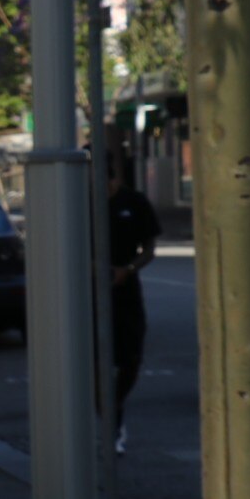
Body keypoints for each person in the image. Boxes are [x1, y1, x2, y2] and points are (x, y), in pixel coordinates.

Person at [106, 152, 162, 453]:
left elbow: (150, 247)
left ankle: (113, 410)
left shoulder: (134, 202)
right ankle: (109, 422)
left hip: (125, 290)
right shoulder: (77, 202)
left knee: (131, 357)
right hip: (88, 292)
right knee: (94, 361)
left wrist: (127, 270)